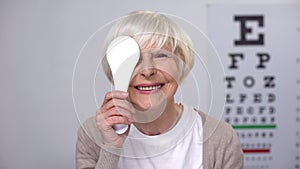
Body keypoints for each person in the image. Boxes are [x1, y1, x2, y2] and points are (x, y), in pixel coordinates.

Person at [76, 10, 244, 169]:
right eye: (134, 59)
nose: (148, 71)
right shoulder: (92, 133)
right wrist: (111, 148)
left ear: (181, 64)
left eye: (161, 55)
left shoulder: (220, 137)